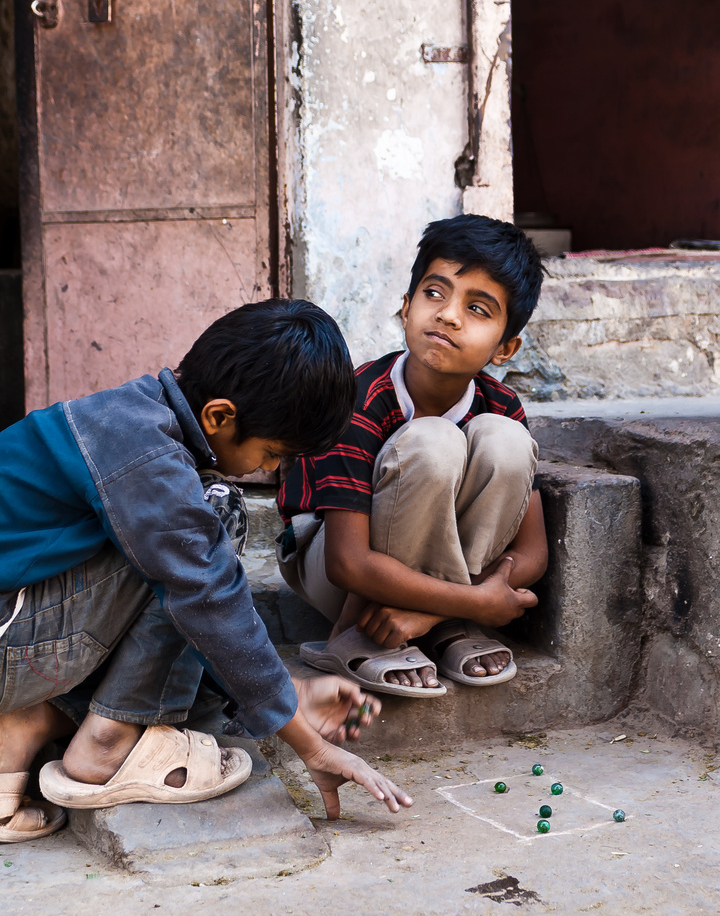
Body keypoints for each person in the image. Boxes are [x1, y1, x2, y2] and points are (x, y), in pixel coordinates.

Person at [0, 299, 412, 844]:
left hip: (18, 627)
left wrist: (285, 691)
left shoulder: (126, 419)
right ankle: (107, 741)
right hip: (12, 640)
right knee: (216, 513)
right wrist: (308, 744)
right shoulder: (147, 459)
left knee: (205, 666)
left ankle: (23, 729)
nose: (270, 470)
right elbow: (206, 598)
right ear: (219, 416)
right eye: (273, 454)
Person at [276, 215, 548, 697]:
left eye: (479, 309)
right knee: (432, 441)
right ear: (406, 307)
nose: (448, 315)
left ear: (506, 347)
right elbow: (347, 563)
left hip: (437, 583)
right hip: (332, 569)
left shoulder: (502, 407)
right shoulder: (358, 396)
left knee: (505, 440)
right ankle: (353, 631)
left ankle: (436, 626)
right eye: (435, 293)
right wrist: (480, 602)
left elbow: (532, 553)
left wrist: (439, 607)